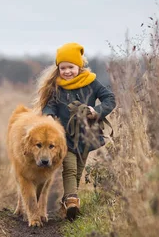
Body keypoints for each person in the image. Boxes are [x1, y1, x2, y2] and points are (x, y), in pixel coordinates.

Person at [33, 42, 116, 221]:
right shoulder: (57, 86)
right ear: (58, 69)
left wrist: (97, 111)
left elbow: (110, 98)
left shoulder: (91, 82)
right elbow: (50, 105)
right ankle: (72, 200)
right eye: (63, 68)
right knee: (69, 168)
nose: (67, 71)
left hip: (87, 135)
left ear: (79, 66)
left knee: (79, 170)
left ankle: (68, 202)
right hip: (64, 137)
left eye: (70, 67)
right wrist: (48, 116)